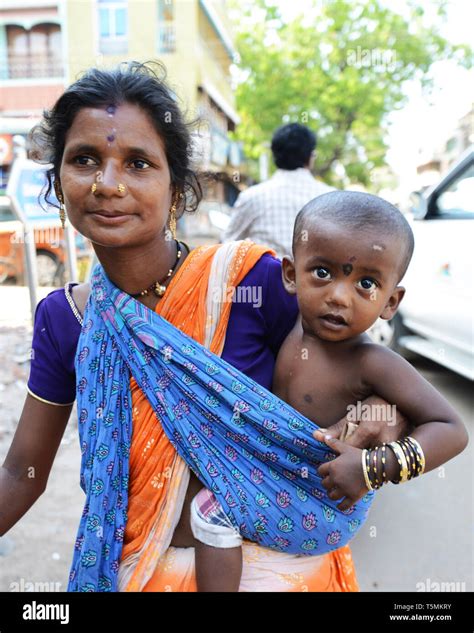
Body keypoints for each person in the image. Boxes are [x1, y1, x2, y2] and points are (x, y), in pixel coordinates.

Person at [0, 62, 411, 593]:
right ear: (58, 180)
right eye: (84, 160)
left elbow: (375, 383)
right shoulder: (65, 319)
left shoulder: (252, 283)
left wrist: (385, 420)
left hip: (281, 574)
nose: (107, 184)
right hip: (142, 574)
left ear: (177, 186)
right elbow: (21, 473)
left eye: (138, 163)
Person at [189, 190, 468, 591]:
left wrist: (373, 468)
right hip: (284, 479)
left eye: (366, 283)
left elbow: (452, 430)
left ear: (391, 302)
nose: (339, 296)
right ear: (290, 274)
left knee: (209, 512)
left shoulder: (372, 362)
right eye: (322, 273)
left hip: (324, 503)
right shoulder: (290, 327)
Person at [222, 123, 333, 259]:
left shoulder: (252, 197)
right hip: (316, 279)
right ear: (311, 156)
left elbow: (227, 245)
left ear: (274, 156)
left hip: (265, 280)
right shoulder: (331, 198)